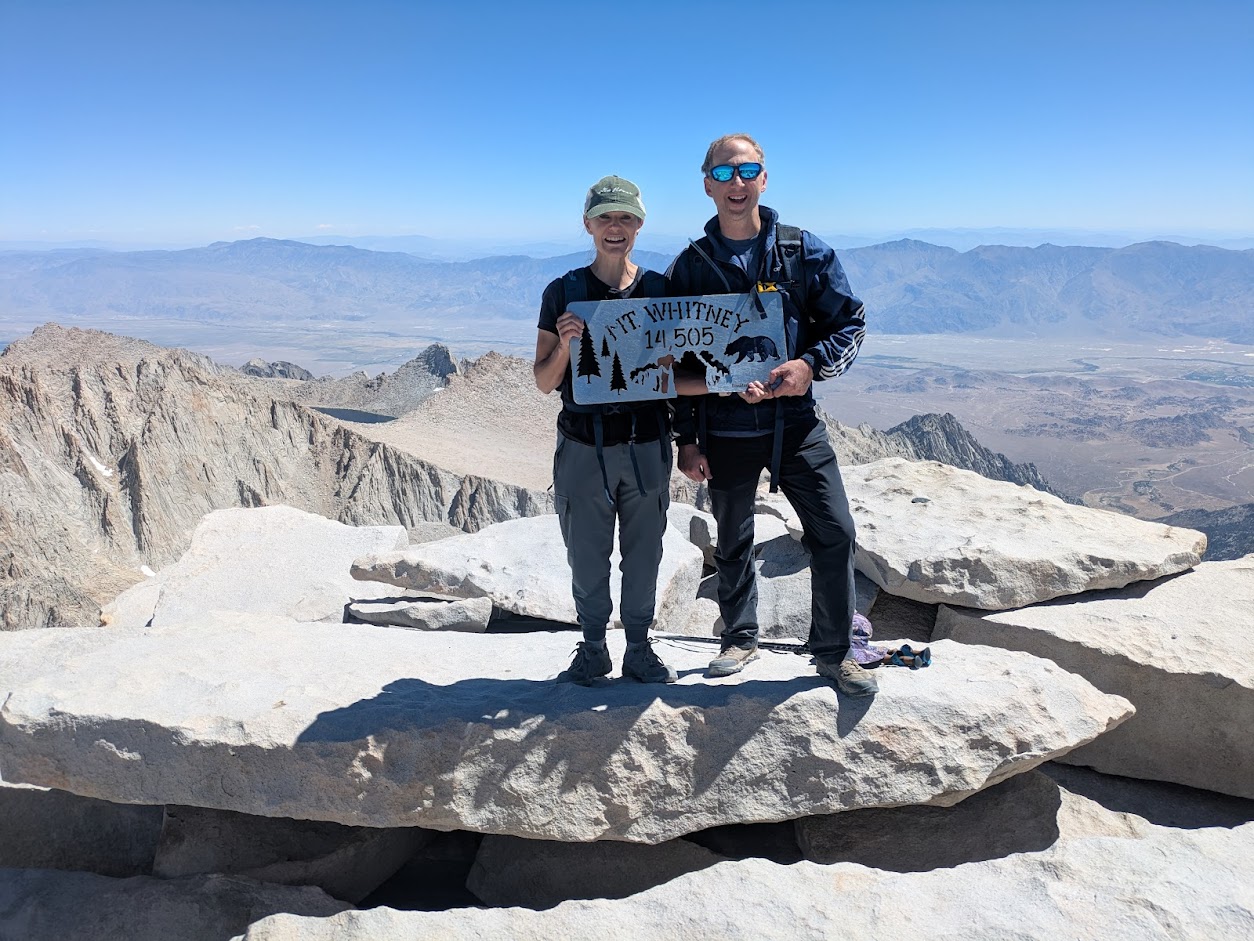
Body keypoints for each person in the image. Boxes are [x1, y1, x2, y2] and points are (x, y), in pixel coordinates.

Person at [667, 134, 878, 696]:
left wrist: (810, 366)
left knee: (835, 531)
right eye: (724, 173)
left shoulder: (801, 252)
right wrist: (686, 439)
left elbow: (850, 323)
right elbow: (673, 360)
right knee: (733, 538)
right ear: (707, 185)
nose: (736, 183)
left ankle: (834, 652)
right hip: (724, 427)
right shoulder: (690, 267)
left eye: (747, 170)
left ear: (764, 178)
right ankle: (739, 638)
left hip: (795, 424)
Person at [534, 175, 679, 685]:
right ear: (588, 225)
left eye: (625, 218)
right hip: (583, 444)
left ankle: (639, 648)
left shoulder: (660, 291)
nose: (615, 227)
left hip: (647, 442)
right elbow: (543, 380)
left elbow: (680, 370)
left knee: (645, 554)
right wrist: (566, 346)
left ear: (639, 225)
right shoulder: (564, 292)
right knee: (586, 554)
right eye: (605, 218)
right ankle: (593, 647)